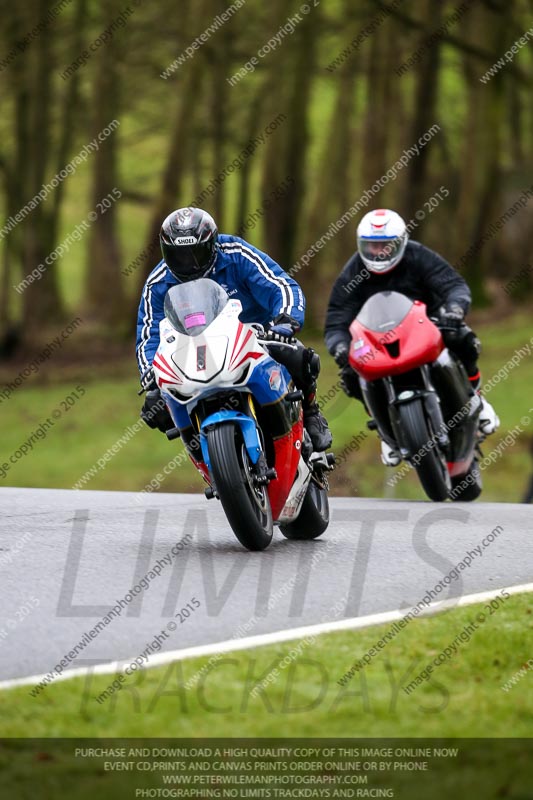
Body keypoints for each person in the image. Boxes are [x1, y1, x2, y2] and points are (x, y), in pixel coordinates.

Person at [136, 206, 332, 454]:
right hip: (192, 351)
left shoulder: (237, 254)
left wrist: (286, 321)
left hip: (255, 336)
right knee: (155, 406)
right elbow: (148, 332)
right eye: (179, 256)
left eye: (195, 253)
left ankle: (312, 412)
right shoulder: (158, 281)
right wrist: (149, 372)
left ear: (212, 244)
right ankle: (204, 454)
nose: (189, 263)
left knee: (297, 354)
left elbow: (279, 284)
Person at [324, 208, 499, 466]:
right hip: (377, 341)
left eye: (386, 246)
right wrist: (340, 346)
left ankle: (476, 397)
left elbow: (453, 285)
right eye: (372, 246)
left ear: (401, 243)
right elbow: (336, 317)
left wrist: (454, 310)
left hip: (426, 327)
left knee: (463, 338)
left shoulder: (418, 256)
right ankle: (385, 432)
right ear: (361, 245)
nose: (379, 252)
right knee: (350, 375)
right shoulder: (353, 272)